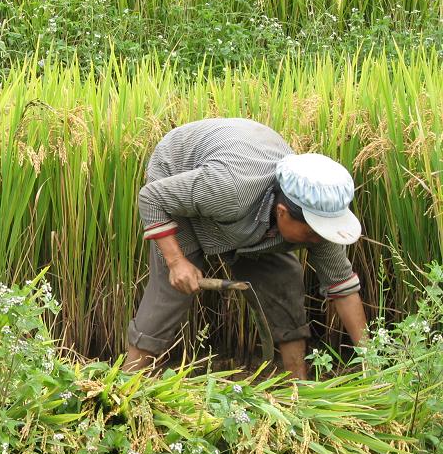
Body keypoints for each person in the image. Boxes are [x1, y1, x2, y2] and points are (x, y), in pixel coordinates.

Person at [126, 118, 367, 379]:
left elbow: (342, 286)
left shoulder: (318, 217)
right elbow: (151, 197)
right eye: (311, 232)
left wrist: (371, 360)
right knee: (172, 290)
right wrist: (176, 262)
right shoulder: (229, 191)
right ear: (283, 212)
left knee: (282, 280)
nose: (318, 239)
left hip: (242, 195)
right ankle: (127, 386)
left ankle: (300, 389)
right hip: (178, 173)